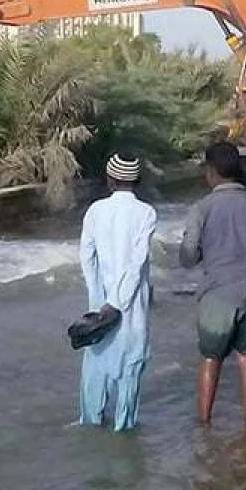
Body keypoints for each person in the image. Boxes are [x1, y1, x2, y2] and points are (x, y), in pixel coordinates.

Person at [181, 142, 246, 424]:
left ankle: (204, 421)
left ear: (211, 171)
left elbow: (187, 257)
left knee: (211, 357)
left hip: (218, 295)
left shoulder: (202, 208)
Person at [77, 153, 158, 432]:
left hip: (98, 304)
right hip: (131, 304)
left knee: (96, 365)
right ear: (136, 181)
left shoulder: (95, 211)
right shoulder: (146, 213)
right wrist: (118, 303)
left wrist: (98, 297)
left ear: (110, 180)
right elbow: (137, 262)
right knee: (130, 371)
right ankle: (124, 431)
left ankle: (90, 425)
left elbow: (87, 257)